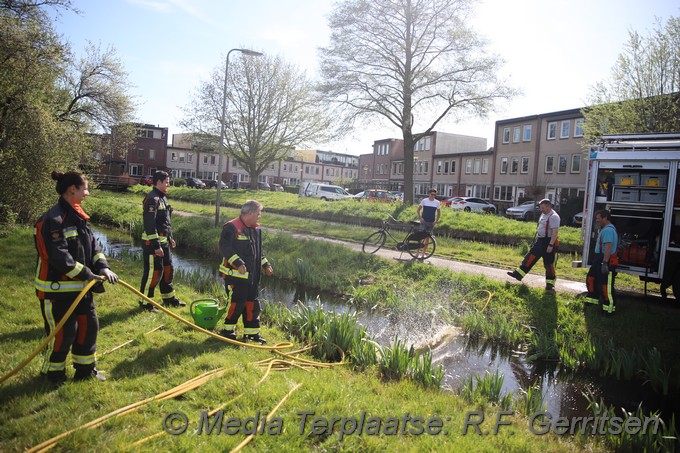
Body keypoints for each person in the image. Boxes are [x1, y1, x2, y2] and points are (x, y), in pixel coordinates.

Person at [34, 171, 119, 384]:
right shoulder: (52, 220)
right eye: (85, 189)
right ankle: (53, 374)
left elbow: (93, 245)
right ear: (72, 190)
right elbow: (60, 258)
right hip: (57, 291)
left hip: (82, 288)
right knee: (63, 334)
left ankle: (85, 371)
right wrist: (89, 274)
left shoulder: (78, 215)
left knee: (89, 327)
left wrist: (103, 267)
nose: (87, 193)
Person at [217, 200, 273, 344]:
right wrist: (238, 263)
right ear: (250, 213)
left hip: (252, 277)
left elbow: (257, 253)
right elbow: (225, 247)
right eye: (258, 214)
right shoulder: (232, 227)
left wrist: (265, 264)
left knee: (252, 305)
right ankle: (227, 331)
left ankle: (252, 334)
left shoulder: (254, 229)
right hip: (236, 277)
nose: (259, 217)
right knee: (236, 303)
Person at [139, 171, 185, 311]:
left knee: (168, 270)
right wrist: (156, 246)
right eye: (166, 182)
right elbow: (149, 225)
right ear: (158, 182)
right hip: (152, 244)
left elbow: (165, 222)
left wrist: (170, 238)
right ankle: (145, 302)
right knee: (154, 273)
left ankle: (169, 298)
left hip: (164, 242)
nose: (168, 184)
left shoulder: (162, 198)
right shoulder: (152, 199)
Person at [507, 198, 560, 292]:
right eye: (541, 208)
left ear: (548, 206)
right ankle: (518, 274)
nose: (541, 210)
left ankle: (550, 285)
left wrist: (550, 245)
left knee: (549, 264)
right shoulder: (543, 214)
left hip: (549, 242)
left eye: (543, 208)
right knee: (530, 257)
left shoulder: (554, 216)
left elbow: (555, 232)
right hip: (540, 241)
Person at [585, 210, 619, 314]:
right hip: (599, 259)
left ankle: (608, 310)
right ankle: (592, 302)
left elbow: (608, 248)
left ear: (605, 218)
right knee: (591, 279)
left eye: (598, 218)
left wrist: (605, 263)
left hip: (605, 260)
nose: (597, 220)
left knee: (605, 286)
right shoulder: (605, 230)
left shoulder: (608, 231)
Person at [416, 188, 441, 260]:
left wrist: (436, 221)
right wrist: (420, 218)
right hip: (424, 221)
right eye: (432, 194)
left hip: (431, 222)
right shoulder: (424, 201)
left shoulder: (437, 202)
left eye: (434, 195)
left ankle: (423, 254)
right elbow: (418, 210)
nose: (433, 196)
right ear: (429, 194)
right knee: (420, 237)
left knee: (427, 239)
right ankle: (417, 252)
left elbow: (439, 213)